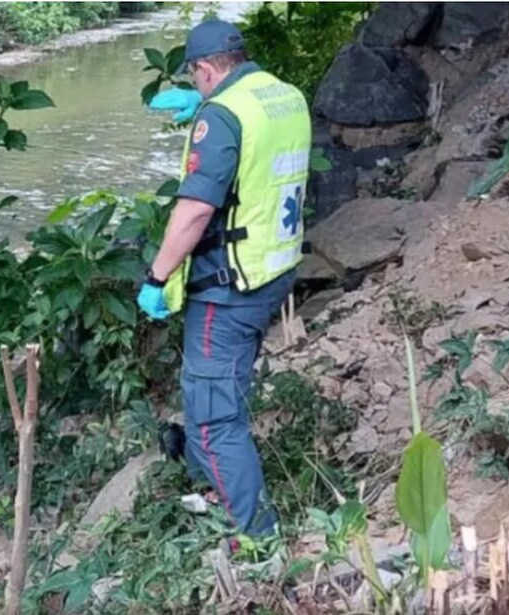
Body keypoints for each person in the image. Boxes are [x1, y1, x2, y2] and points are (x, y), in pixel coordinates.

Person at [138, 19, 310, 541]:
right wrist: (205, 107)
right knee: (218, 389)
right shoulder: (283, 96)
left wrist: (157, 275)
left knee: (214, 419)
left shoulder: (223, 117)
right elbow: (259, 147)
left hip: (230, 285)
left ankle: (258, 536)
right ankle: (217, 489)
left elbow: (194, 211)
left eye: (196, 79)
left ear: (205, 69)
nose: (196, 87)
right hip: (274, 269)